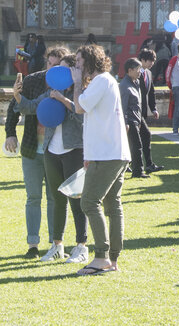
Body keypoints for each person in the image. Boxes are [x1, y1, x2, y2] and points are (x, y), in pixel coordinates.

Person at [75, 43, 130, 276]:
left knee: (89, 202)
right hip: (113, 152)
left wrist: (76, 83)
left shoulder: (101, 81)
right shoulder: (107, 81)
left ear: (89, 61)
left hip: (107, 154)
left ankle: (101, 257)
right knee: (112, 205)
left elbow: (79, 107)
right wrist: (88, 155)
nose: (77, 66)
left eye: (79, 61)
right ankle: (113, 259)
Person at [4, 45, 58, 258]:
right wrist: (10, 133)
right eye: (50, 63)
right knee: (33, 197)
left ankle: (55, 244)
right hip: (31, 149)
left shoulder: (68, 85)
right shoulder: (33, 80)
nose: (52, 68)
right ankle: (32, 245)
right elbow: (14, 107)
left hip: (55, 151)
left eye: (57, 65)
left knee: (54, 198)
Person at [39, 47, 89, 265]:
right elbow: (33, 106)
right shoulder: (52, 92)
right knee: (57, 200)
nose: (58, 74)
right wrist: (19, 96)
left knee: (77, 201)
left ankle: (81, 246)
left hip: (73, 151)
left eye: (64, 70)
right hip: (51, 151)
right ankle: (57, 245)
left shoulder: (81, 92)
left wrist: (63, 100)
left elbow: (81, 117)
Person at [119, 58, 146, 178]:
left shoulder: (136, 82)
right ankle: (138, 171)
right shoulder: (124, 86)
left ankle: (134, 169)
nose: (140, 72)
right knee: (136, 145)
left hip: (135, 119)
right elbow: (123, 106)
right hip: (129, 120)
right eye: (138, 69)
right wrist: (125, 122)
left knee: (137, 143)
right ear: (130, 70)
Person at [137, 49, 162, 173]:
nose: (152, 63)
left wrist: (153, 109)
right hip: (135, 111)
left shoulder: (148, 73)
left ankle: (146, 164)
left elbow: (151, 92)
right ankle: (147, 164)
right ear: (142, 60)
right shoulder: (134, 72)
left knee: (141, 138)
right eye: (150, 60)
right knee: (145, 136)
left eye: (153, 60)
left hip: (143, 111)